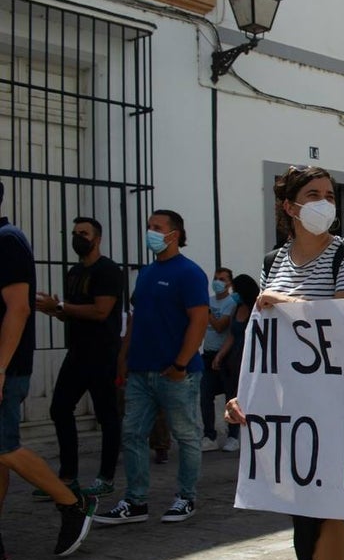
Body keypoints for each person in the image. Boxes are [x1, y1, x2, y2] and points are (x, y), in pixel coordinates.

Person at [224, 165, 344, 560]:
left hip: (335, 401)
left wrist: (282, 301)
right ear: (290, 207)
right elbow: (265, 340)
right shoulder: (274, 260)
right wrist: (245, 393)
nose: (326, 202)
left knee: (323, 502)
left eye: (330, 194)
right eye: (313, 194)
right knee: (309, 497)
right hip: (287, 404)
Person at [0, 182, 98, 560]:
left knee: (5, 446)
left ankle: (72, 501)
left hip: (6, 367)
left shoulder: (7, 240)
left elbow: (18, 309)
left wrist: (1, 368)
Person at [94, 209, 209, 526]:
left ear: (175, 234)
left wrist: (180, 364)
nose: (151, 232)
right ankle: (135, 501)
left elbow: (199, 320)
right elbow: (135, 317)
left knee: (186, 436)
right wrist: (124, 355)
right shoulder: (145, 273)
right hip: (140, 372)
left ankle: (186, 497)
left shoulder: (189, 273)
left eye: (157, 227)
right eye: (149, 227)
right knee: (131, 434)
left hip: (176, 373)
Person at [34, 216, 124, 498]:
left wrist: (60, 305)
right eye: (74, 233)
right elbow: (72, 312)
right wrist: (54, 309)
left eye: (83, 233)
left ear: (97, 238)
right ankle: (67, 477)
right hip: (78, 352)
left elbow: (100, 312)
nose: (77, 237)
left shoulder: (108, 270)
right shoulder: (74, 272)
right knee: (60, 408)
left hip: (102, 352)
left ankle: (106, 477)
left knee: (107, 415)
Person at [199, 267, 238, 453]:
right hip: (207, 355)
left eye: (222, 279)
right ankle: (209, 436)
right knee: (205, 395)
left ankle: (233, 436)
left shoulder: (231, 303)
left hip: (224, 357)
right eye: (216, 278)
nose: (218, 282)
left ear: (229, 283)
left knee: (231, 397)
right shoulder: (209, 300)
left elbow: (220, 326)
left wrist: (206, 313)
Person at [212, 273, 258, 429]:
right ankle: (232, 431)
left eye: (236, 290)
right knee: (231, 396)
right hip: (233, 360)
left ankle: (236, 435)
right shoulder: (236, 309)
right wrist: (220, 355)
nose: (234, 294)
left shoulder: (257, 309)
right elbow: (231, 335)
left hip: (249, 359)